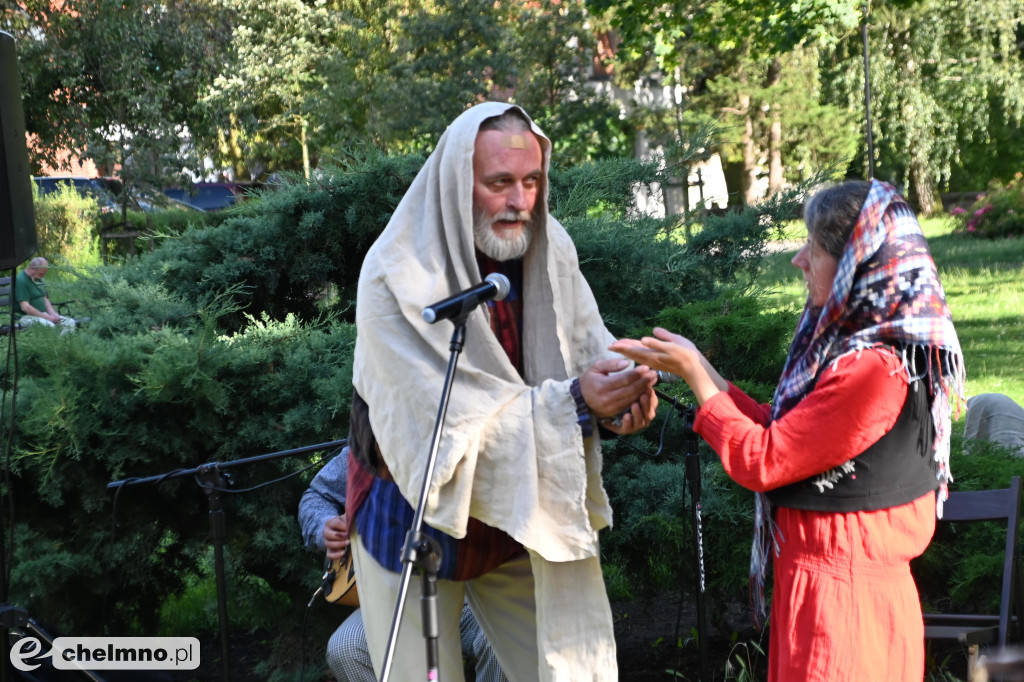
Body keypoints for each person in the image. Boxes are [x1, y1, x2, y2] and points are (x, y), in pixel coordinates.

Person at [347, 102, 658, 681]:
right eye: (499, 183)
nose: (519, 201)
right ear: (457, 183)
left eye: (531, 181)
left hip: (519, 513)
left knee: (560, 669)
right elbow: (446, 427)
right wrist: (579, 403)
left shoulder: (548, 244)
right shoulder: (396, 271)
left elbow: (588, 345)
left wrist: (624, 390)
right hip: (411, 525)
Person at [611, 179, 965, 682]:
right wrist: (701, 371)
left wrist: (694, 375)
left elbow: (764, 459)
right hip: (825, 596)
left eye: (813, 249)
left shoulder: (872, 372)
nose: (799, 260)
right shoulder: (868, 357)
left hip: (844, 611)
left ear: (855, 268)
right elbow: (785, 436)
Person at [298, 448, 507, 682]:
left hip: (476, 587)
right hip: (397, 591)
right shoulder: (376, 435)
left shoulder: (483, 435)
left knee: (504, 637)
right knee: (346, 648)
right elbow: (317, 496)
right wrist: (324, 525)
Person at [14, 257, 76, 333]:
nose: (42, 277)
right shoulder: (21, 281)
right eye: (41, 274)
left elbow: (44, 298)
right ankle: (53, 343)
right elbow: (25, 307)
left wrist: (53, 314)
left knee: (69, 323)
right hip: (25, 317)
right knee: (49, 326)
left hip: (42, 315)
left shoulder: (36, 278)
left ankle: (59, 344)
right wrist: (48, 318)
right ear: (32, 268)